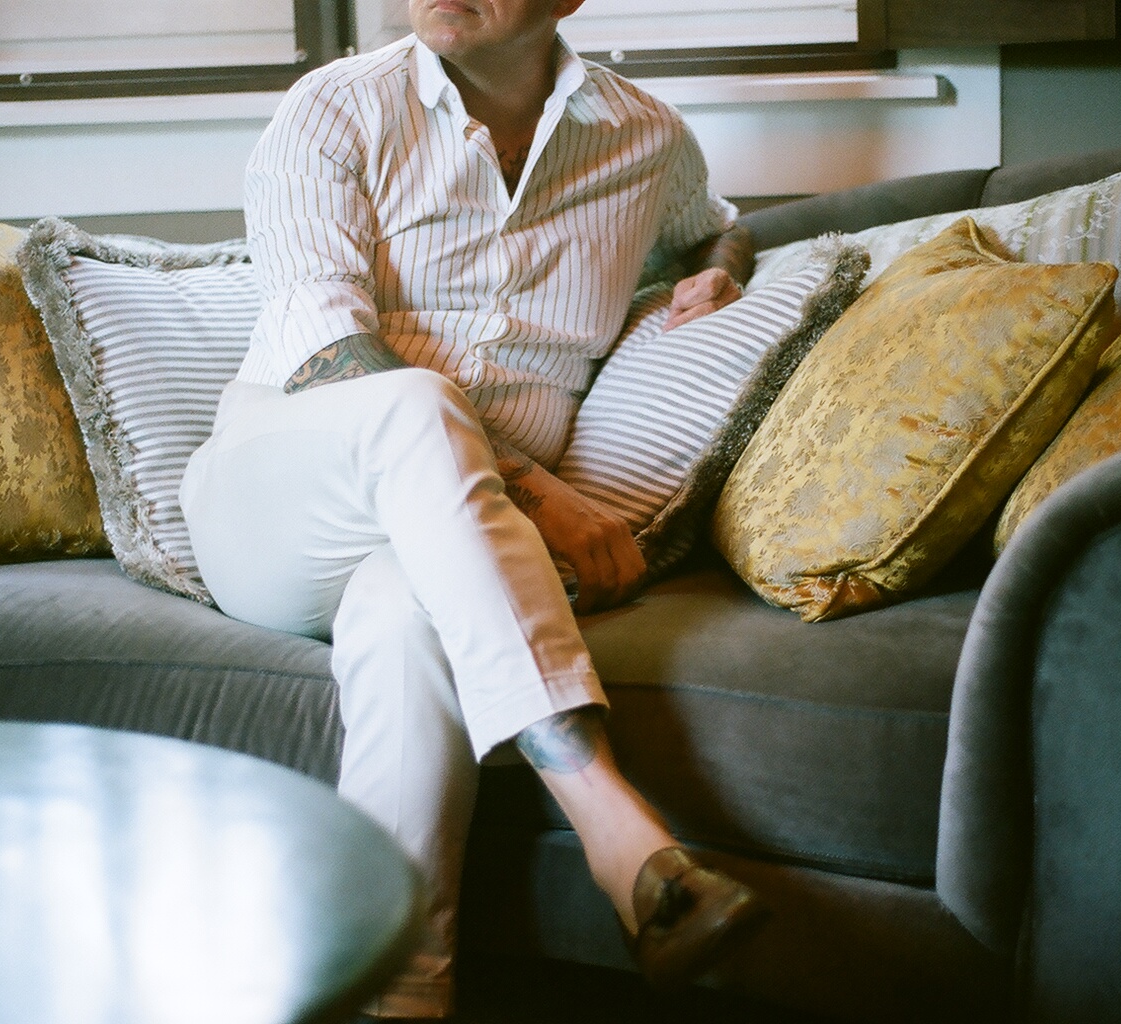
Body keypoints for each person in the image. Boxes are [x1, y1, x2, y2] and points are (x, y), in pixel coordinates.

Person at [180, 0, 763, 1017]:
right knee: (412, 399)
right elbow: (324, 354)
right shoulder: (331, 112)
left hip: (444, 538)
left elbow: (716, 225)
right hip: (281, 493)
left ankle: (398, 990)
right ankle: (613, 825)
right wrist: (546, 498)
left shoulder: (645, 139)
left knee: (410, 613)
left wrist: (715, 274)